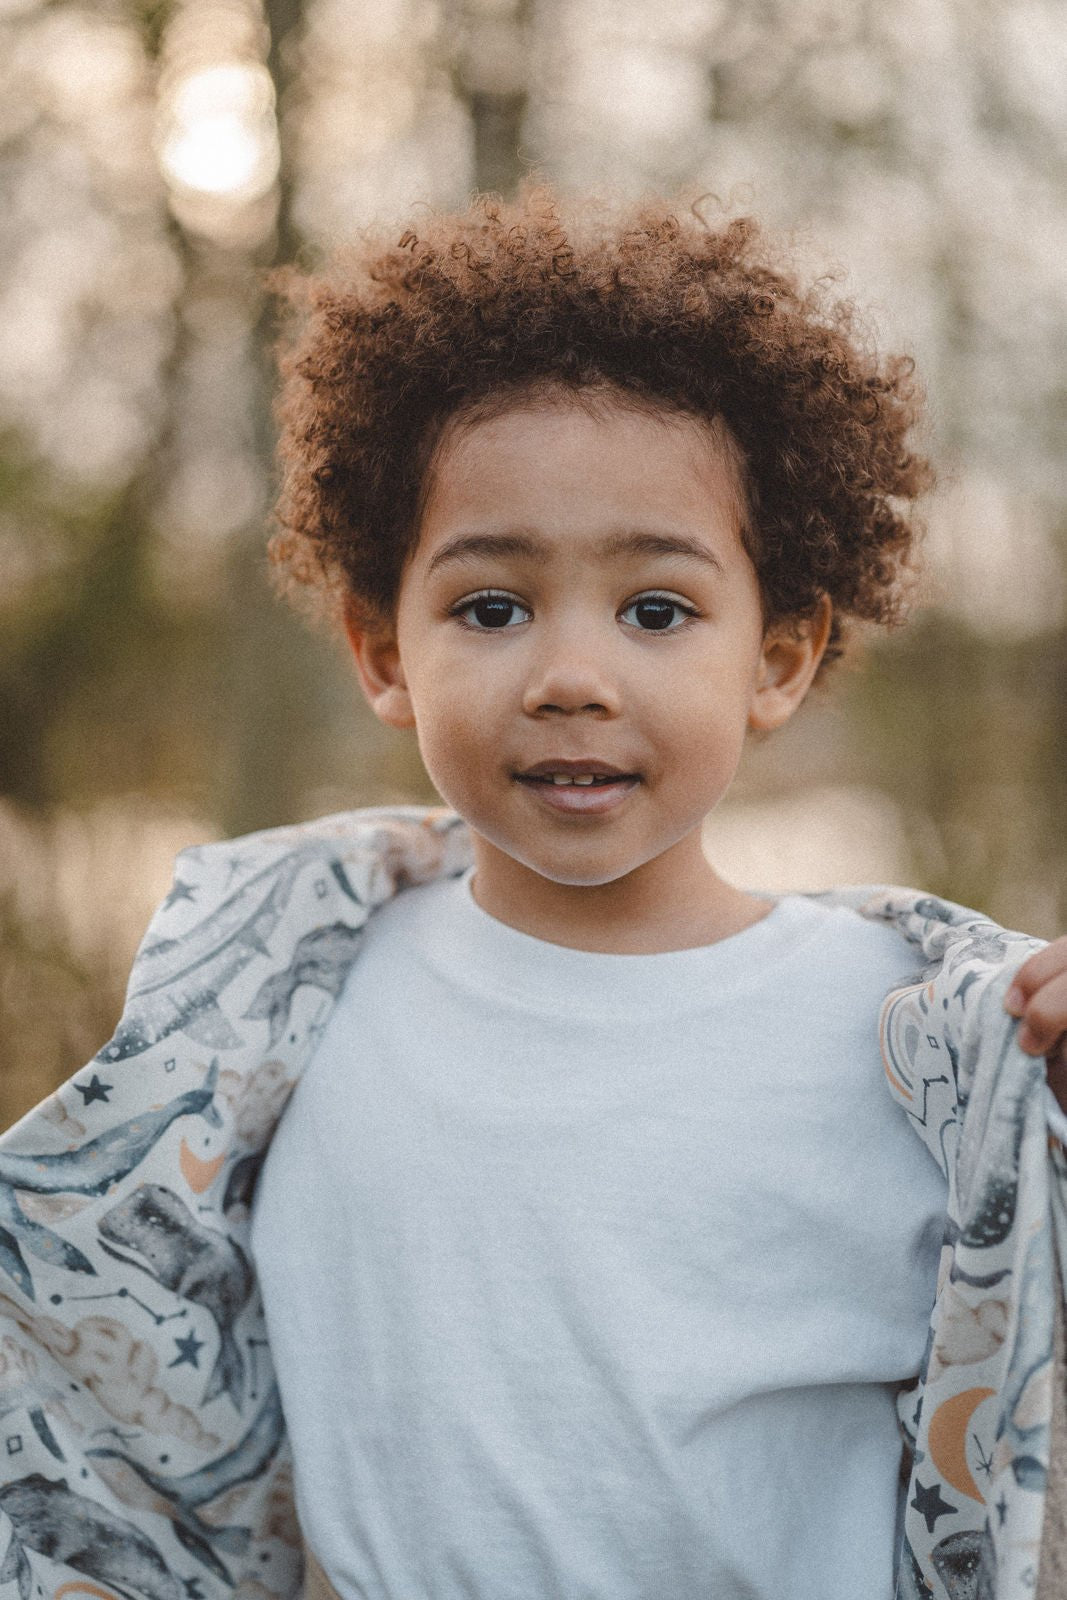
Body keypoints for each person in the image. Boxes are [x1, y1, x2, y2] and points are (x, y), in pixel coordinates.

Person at [2, 186, 1067, 1600]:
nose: (572, 677)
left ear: (778, 657)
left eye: (656, 610)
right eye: (492, 607)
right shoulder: (276, 1009)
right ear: (385, 652)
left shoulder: (924, 1047)